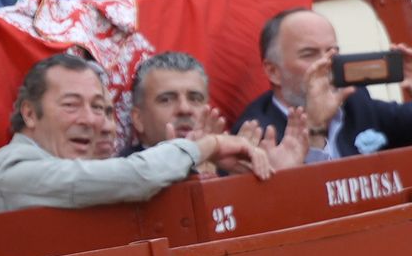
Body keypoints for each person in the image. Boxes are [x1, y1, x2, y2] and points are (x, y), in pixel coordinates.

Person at [0, 53, 271, 214]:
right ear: (29, 113)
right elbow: (138, 177)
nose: (90, 120)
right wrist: (210, 145)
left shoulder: (79, 170)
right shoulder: (14, 174)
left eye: (98, 107)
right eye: (71, 105)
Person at [235, 8, 412, 160]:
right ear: (273, 72)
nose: (326, 63)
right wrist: (314, 128)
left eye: (332, 52)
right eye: (309, 54)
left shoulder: (355, 101)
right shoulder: (257, 130)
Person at [128, 50, 307, 172]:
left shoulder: (229, 168)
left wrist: (272, 179)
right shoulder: (123, 174)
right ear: (138, 119)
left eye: (195, 98)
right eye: (166, 99)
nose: (184, 109)